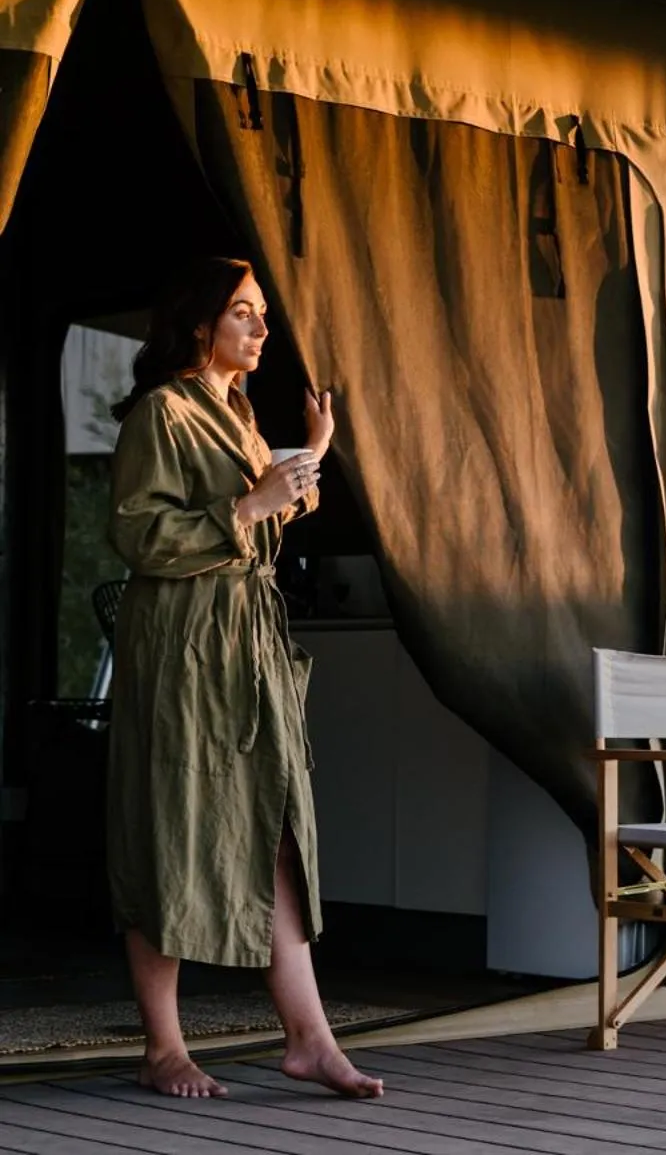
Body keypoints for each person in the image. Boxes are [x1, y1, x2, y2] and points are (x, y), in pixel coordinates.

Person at [105, 256, 382, 1100]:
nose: (261, 327)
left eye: (260, 313)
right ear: (201, 323)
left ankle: (310, 1038)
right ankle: (164, 1048)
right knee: (171, 826)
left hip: (247, 644)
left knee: (274, 826)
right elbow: (140, 535)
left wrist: (312, 457)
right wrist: (253, 504)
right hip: (184, 644)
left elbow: (261, 517)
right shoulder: (162, 413)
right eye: (242, 312)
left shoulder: (240, 414)